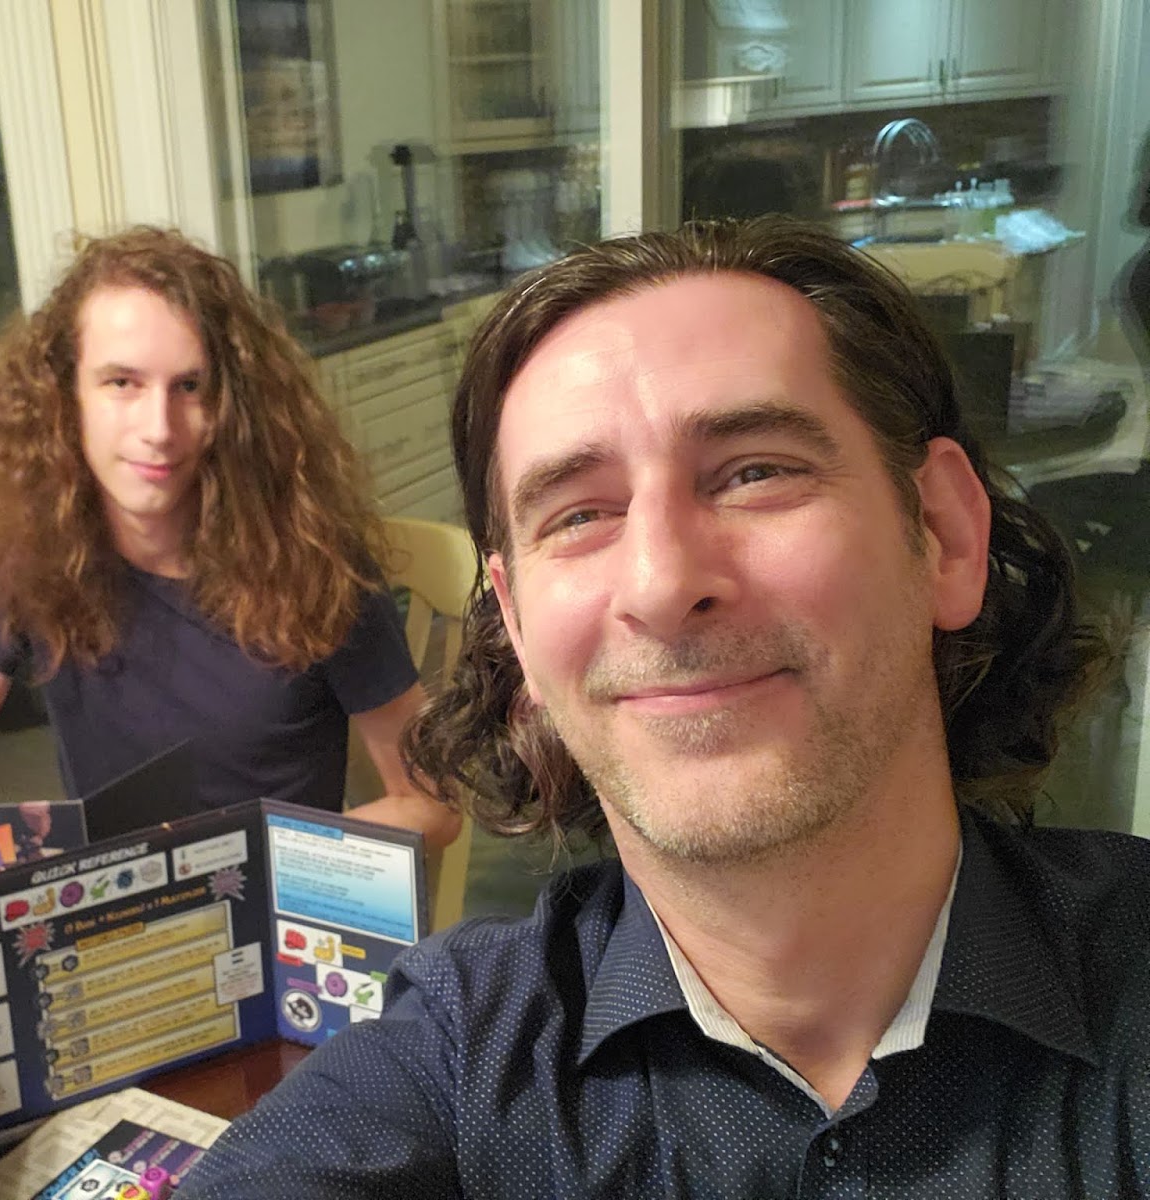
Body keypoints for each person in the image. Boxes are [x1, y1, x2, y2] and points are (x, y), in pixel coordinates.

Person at [178, 218, 1149, 1197]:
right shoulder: (456, 1058)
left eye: (756, 472)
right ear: (517, 625)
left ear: (942, 534)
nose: (660, 582)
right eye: (579, 515)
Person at [0, 227, 458, 850]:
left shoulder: (312, 557)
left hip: (282, 893)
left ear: (232, 406)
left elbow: (431, 806)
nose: (159, 429)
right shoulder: (22, 550)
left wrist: (263, 853)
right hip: (121, 898)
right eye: (122, 383)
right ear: (64, 395)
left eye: (189, 387)